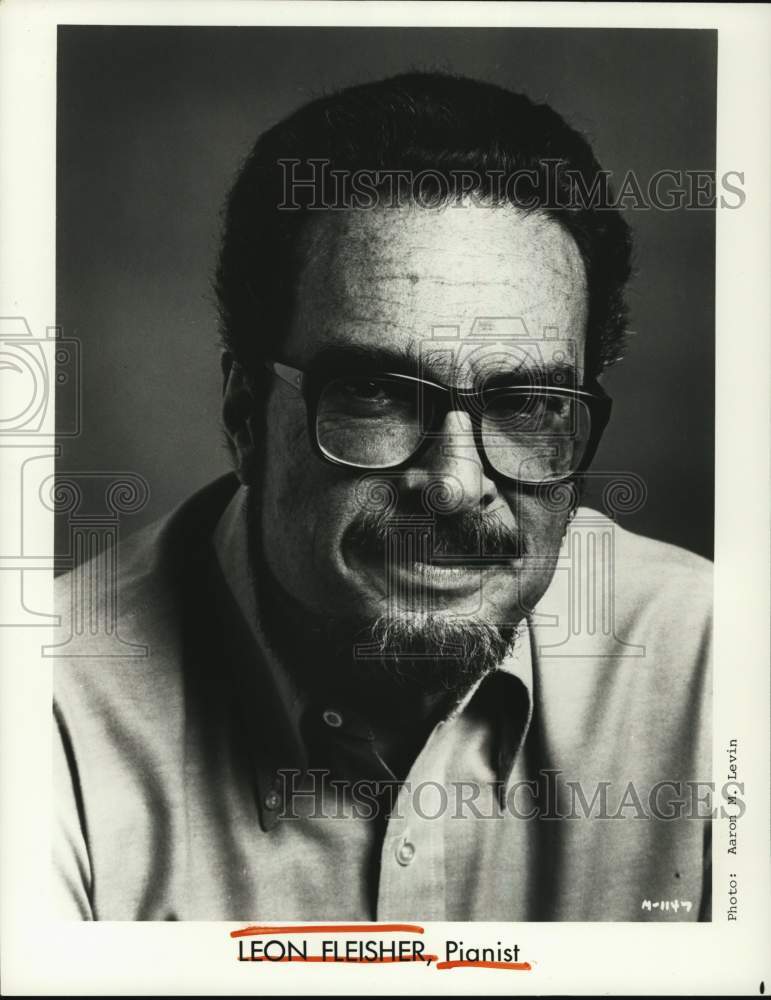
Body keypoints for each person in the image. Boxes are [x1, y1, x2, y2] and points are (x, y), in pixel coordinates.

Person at [53, 72, 712, 921]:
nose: (454, 486)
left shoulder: (718, 668)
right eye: (375, 395)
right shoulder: (46, 717)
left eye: (527, 406)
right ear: (244, 414)